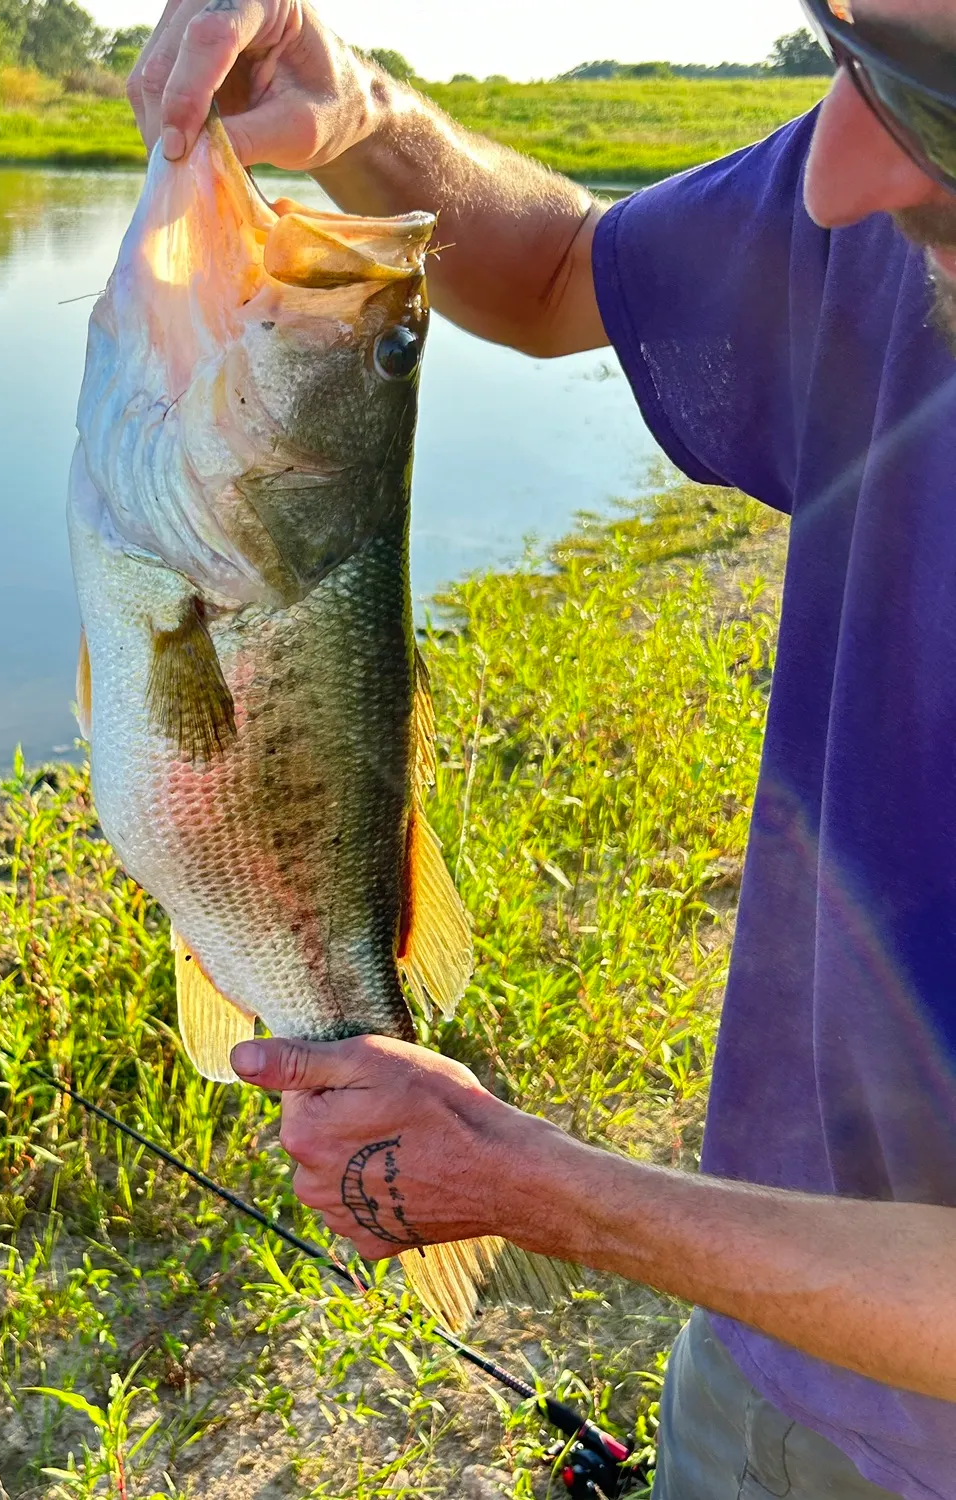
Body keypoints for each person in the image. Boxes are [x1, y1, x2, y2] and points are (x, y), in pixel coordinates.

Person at [125, 2, 956, 1497]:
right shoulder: (891, 195)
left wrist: (532, 1185)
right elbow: (577, 266)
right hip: (760, 1352)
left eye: (929, 98)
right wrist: (361, 113)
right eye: (845, 44)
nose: (830, 179)